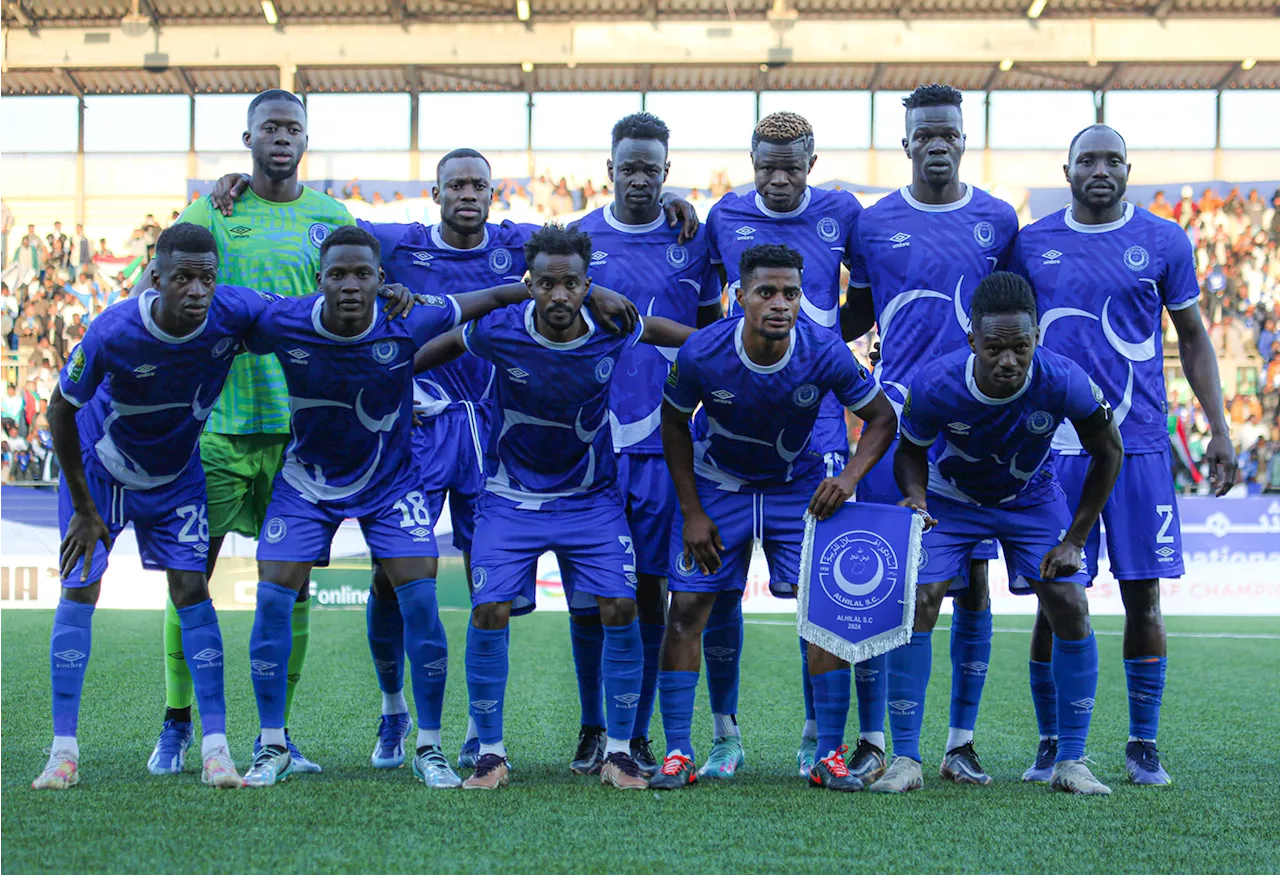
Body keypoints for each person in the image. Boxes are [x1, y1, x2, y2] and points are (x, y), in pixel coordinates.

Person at [207, 150, 700, 776]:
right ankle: (395, 714)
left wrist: (632, 253)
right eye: (456, 184)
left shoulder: (521, 243)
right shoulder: (397, 242)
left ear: (494, 193)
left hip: (492, 436)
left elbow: (567, 257)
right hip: (425, 427)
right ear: (435, 193)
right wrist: (244, 187)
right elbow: (337, 237)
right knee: (394, 578)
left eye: (479, 184)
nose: (468, 194)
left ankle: (481, 734)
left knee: (487, 584)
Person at [237, 225, 545, 788]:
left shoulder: (412, 317)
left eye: (362, 274)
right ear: (318, 280)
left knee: (421, 604)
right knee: (273, 600)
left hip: (392, 485)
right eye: (337, 274)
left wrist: (579, 291)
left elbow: (502, 295)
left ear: (383, 280)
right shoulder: (284, 320)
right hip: (307, 483)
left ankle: (427, 745)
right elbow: (223, 314)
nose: (350, 285)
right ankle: (272, 743)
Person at [412, 223, 694, 791]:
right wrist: (382, 374)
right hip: (509, 498)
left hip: (590, 499)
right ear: (530, 284)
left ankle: (618, 752)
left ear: (588, 285)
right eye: (546, 284)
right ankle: (489, 753)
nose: (559, 296)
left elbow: (672, 334)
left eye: (571, 285)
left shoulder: (612, 325)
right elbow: (426, 354)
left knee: (620, 607)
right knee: (488, 611)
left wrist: (736, 344)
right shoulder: (498, 329)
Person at [1010, 124, 1235, 786]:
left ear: (1129, 169)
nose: (1100, 168)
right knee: (1057, 597)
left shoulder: (1164, 239)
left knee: (1144, 597)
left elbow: (1193, 338)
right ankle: (1051, 741)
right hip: (1052, 448)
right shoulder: (1032, 243)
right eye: (1088, 159)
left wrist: (1217, 427)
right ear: (1068, 169)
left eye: (1112, 159)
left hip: (1136, 445)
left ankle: (1143, 743)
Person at [149, 88, 358, 778]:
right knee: (190, 577)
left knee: (291, 586)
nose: (281, 136)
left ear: (306, 140)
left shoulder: (330, 217)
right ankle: (178, 721)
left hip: (300, 437)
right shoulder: (214, 208)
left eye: (292, 127)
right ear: (247, 138)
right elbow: (158, 284)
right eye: (269, 126)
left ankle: (278, 731)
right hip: (213, 429)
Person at [31, 223, 271, 791]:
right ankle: (63, 750)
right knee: (80, 588)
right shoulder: (113, 331)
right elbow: (58, 412)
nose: (196, 290)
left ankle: (216, 748)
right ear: (155, 278)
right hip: (101, 471)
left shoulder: (232, 313)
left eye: (206, 278)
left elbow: (296, 321)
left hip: (176, 475)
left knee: (192, 590)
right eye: (182, 278)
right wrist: (85, 510)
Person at [653, 243, 895, 792]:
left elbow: (881, 418)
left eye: (792, 293)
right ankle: (679, 751)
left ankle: (826, 753)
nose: (780, 303)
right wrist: (691, 509)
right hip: (719, 487)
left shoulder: (825, 352)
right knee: (687, 609)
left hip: (798, 491)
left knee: (826, 617)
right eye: (766, 292)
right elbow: (671, 424)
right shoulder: (703, 353)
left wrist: (849, 477)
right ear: (740, 298)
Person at [840, 83, 1019, 787]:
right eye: (925, 135)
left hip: (974, 426)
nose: (937, 144)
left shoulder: (999, 220)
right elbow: (851, 313)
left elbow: (1011, 324)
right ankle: (876, 737)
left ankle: (960, 740)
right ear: (906, 142)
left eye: (949, 133)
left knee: (971, 581)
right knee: (882, 581)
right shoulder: (872, 224)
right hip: (892, 426)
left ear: (963, 140)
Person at [889, 271, 1123, 795]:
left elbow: (1109, 450)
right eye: (994, 348)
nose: (1008, 360)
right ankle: (906, 759)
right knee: (921, 599)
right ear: (972, 340)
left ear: (1037, 337)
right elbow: (909, 449)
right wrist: (917, 496)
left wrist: (1075, 540)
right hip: (951, 501)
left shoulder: (1063, 380)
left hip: (1030, 499)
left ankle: (1072, 761)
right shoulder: (936, 383)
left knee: (1069, 602)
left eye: (1021, 346)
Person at [700, 111, 864, 782]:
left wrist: (815, 347)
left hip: (817, 431)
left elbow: (868, 302)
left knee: (817, 600)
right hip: (733, 433)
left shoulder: (843, 213)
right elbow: (708, 306)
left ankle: (814, 737)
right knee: (718, 593)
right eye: (766, 164)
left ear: (812, 162)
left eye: (790, 165)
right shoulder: (721, 216)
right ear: (751, 159)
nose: (777, 176)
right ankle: (724, 735)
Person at [564, 113, 721, 777]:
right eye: (627, 166)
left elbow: (713, 339)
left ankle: (636, 728)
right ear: (609, 169)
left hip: (665, 444)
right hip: (589, 442)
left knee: (653, 589)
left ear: (666, 171)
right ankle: (594, 725)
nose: (638, 178)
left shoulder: (696, 239)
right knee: (589, 592)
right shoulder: (577, 240)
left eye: (650, 168)